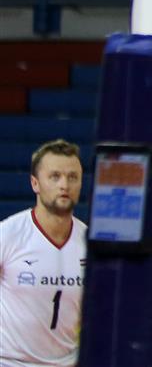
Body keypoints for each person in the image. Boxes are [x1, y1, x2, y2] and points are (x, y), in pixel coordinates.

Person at [0, 140, 87, 367]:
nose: (64, 185)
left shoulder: (89, 242)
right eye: (55, 176)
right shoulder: (8, 234)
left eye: (72, 177)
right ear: (35, 183)